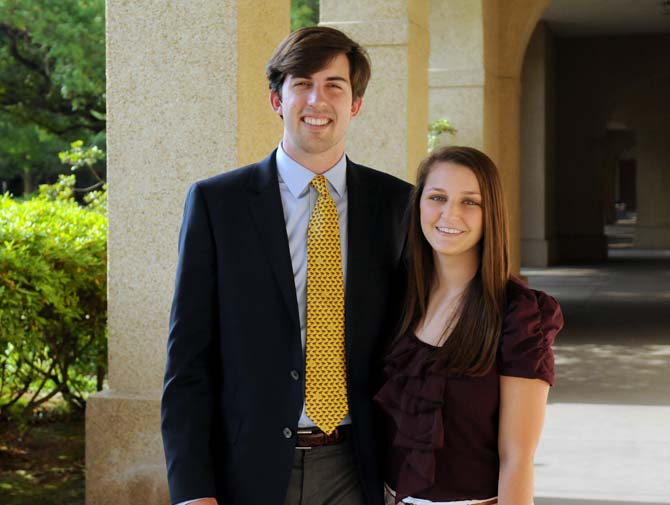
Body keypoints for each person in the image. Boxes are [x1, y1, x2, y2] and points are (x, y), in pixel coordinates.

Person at [161, 26, 412, 505]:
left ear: (355, 104)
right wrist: (192, 492)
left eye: (334, 86)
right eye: (302, 83)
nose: (317, 99)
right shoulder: (218, 204)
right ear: (277, 99)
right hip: (246, 472)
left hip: (357, 470)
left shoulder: (397, 205)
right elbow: (187, 362)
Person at [374, 146, 563, 505]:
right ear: (418, 206)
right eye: (437, 197)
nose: (450, 214)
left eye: (469, 202)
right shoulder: (397, 298)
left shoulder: (519, 315)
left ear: (490, 213)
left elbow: (517, 458)